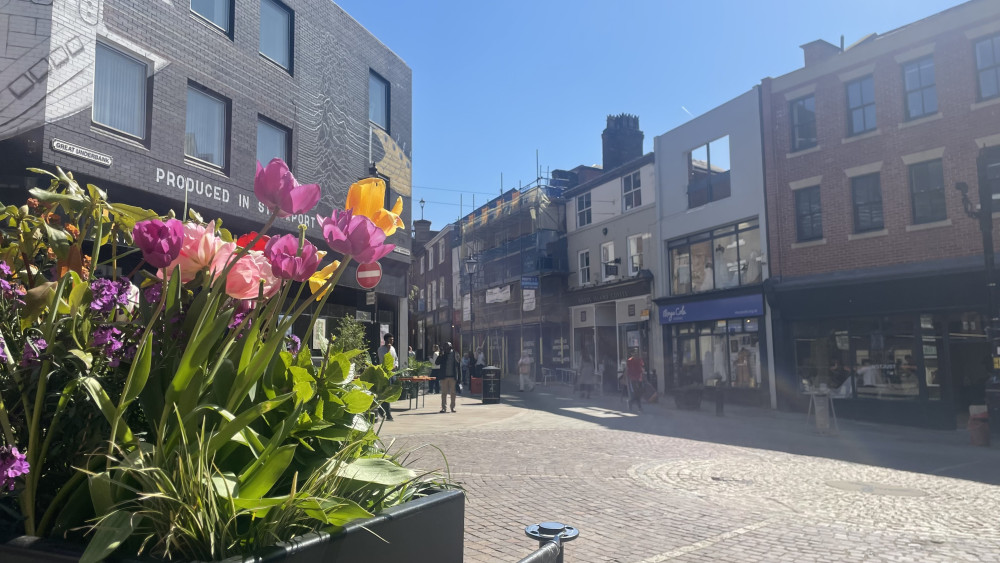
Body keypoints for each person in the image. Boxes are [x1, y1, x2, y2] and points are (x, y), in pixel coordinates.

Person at [376, 333, 398, 421]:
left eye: (392, 340)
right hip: (385, 373)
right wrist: (388, 350)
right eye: (389, 340)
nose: (391, 342)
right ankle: (387, 413)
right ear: (385, 340)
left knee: (390, 393)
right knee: (386, 393)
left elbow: (396, 359)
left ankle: (382, 410)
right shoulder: (381, 349)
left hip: (392, 373)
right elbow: (384, 359)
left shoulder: (393, 348)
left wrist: (395, 366)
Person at [435, 342, 460, 413]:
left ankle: (452, 407)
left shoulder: (455, 354)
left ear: (451, 347)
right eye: (445, 348)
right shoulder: (443, 354)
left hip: (453, 377)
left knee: (453, 393)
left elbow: (458, 367)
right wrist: (440, 355)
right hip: (444, 377)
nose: (446, 349)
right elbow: (437, 363)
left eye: (447, 348)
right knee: (444, 393)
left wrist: (459, 378)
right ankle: (443, 408)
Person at [626, 348, 645, 412]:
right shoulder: (629, 360)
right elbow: (628, 370)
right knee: (636, 392)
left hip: (639, 378)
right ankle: (639, 407)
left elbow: (642, 367)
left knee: (638, 393)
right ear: (631, 353)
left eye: (636, 352)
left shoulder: (639, 360)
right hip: (633, 378)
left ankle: (631, 402)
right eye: (634, 352)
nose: (635, 354)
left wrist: (643, 375)